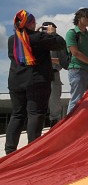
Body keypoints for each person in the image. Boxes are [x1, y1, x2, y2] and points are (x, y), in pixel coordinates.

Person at [5, 10, 67, 154]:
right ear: (30, 23)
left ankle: (10, 151)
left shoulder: (11, 40)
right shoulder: (39, 37)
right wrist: (52, 33)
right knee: (35, 114)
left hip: (16, 81)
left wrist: (38, 34)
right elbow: (60, 44)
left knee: (17, 115)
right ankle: (32, 151)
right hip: (36, 81)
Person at [66, 7, 88, 114]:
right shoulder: (71, 33)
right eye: (87, 17)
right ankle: (69, 126)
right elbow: (75, 53)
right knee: (76, 100)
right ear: (79, 18)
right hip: (77, 70)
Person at [44, 21, 69, 126]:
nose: (46, 30)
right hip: (36, 73)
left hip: (53, 73)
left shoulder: (57, 41)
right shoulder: (36, 39)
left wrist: (48, 60)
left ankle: (54, 122)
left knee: (54, 100)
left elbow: (65, 61)